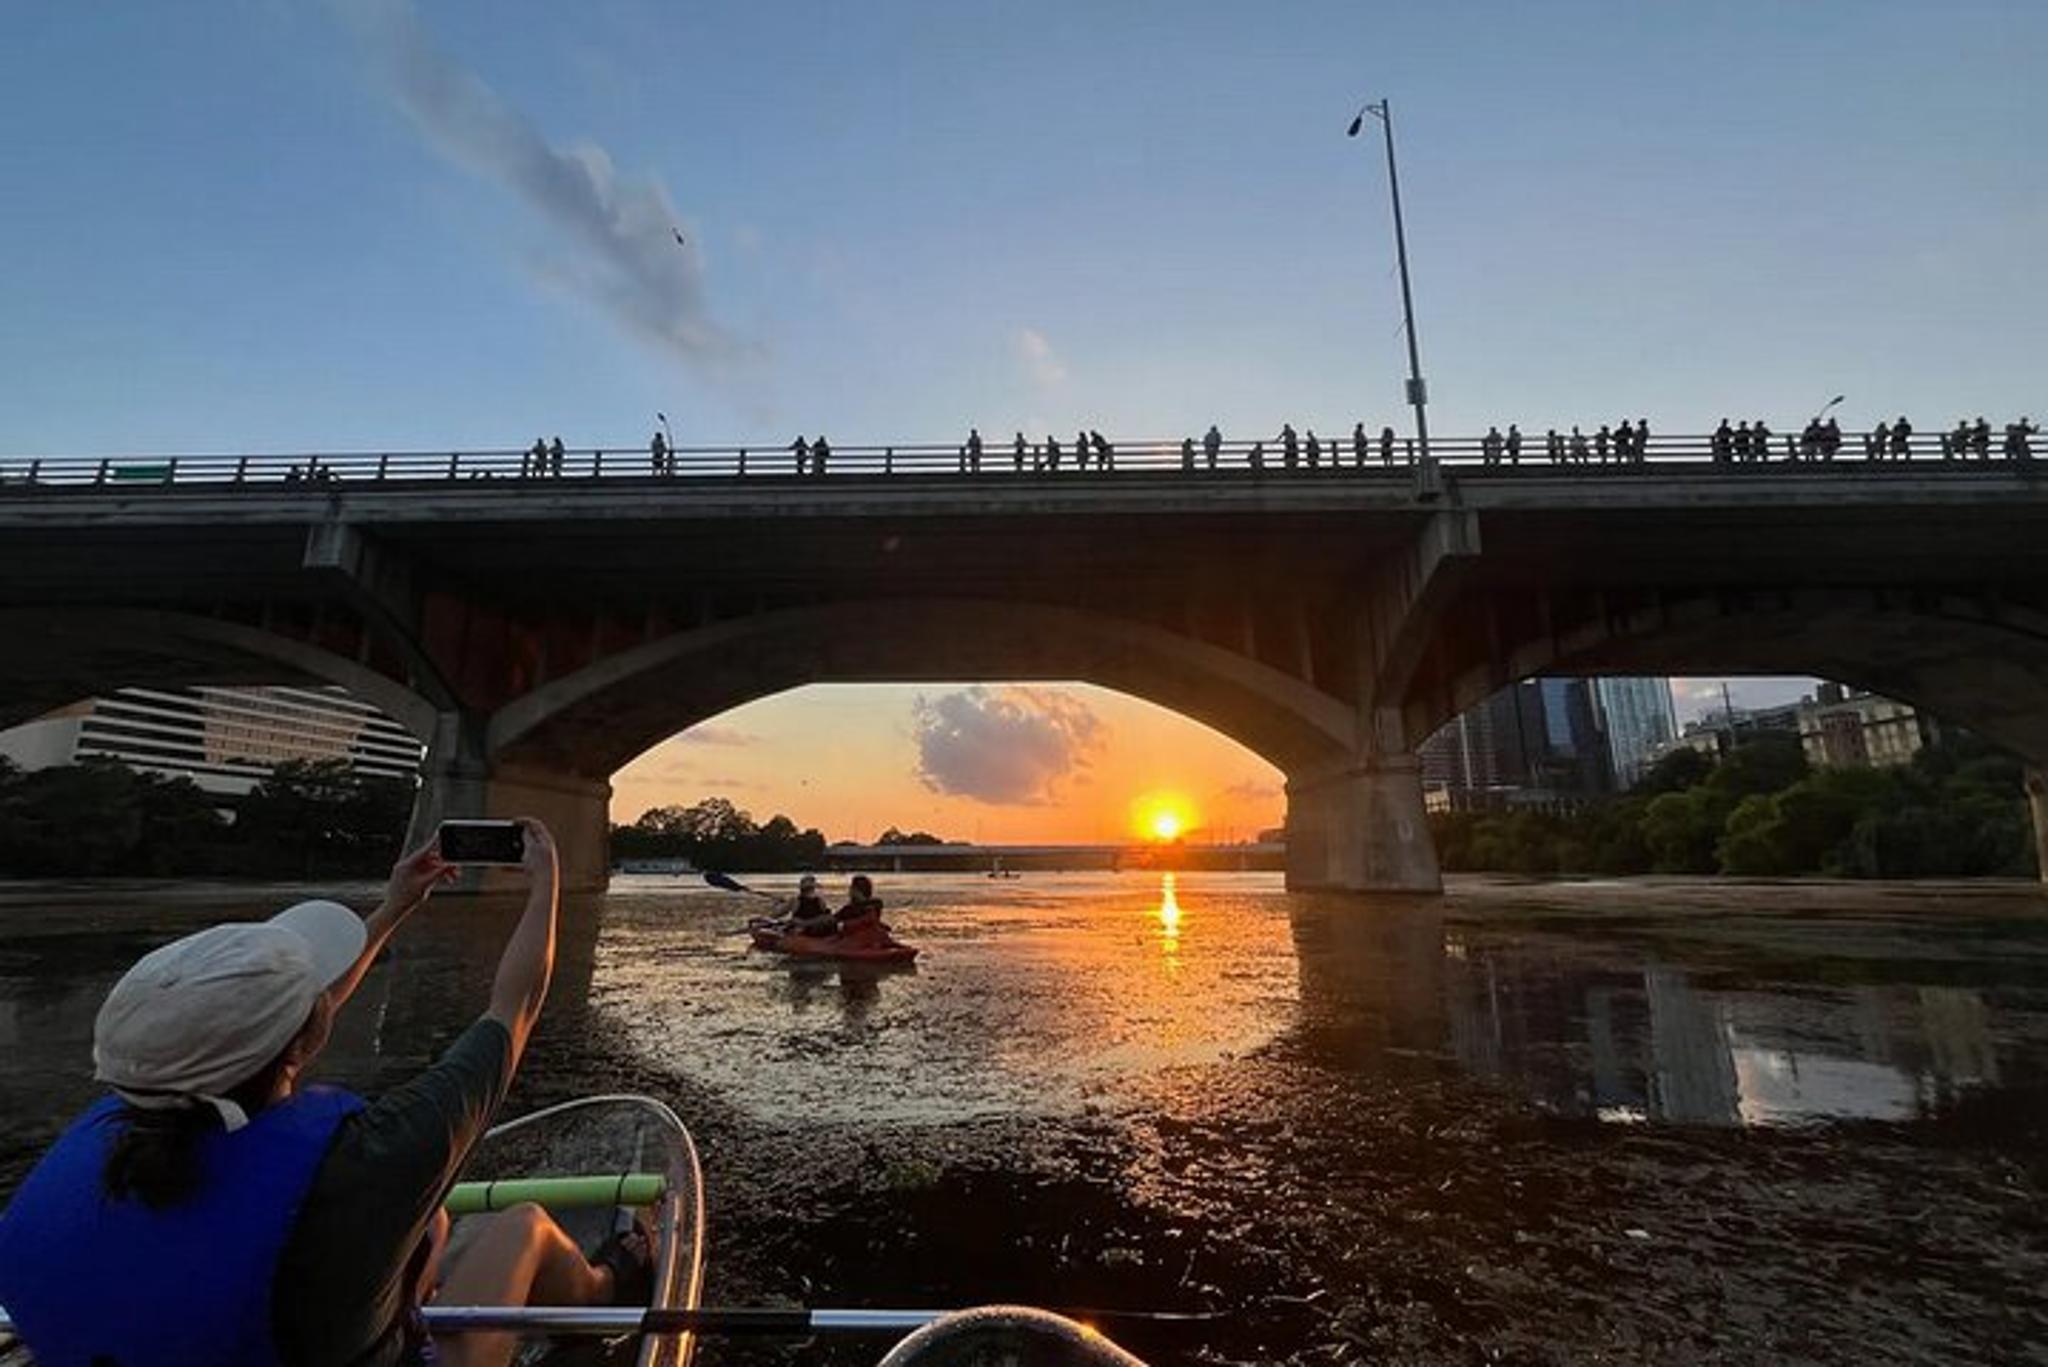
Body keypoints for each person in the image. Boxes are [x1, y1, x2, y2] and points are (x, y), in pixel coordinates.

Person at [0, 822, 650, 1367]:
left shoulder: (105, 1129)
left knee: (437, 1220)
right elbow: (516, 1006)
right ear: (298, 1044)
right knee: (524, 1225)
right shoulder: (374, 1158)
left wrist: (395, 904)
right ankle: (604, 1287)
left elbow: (278, 1033)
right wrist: (546, 884)